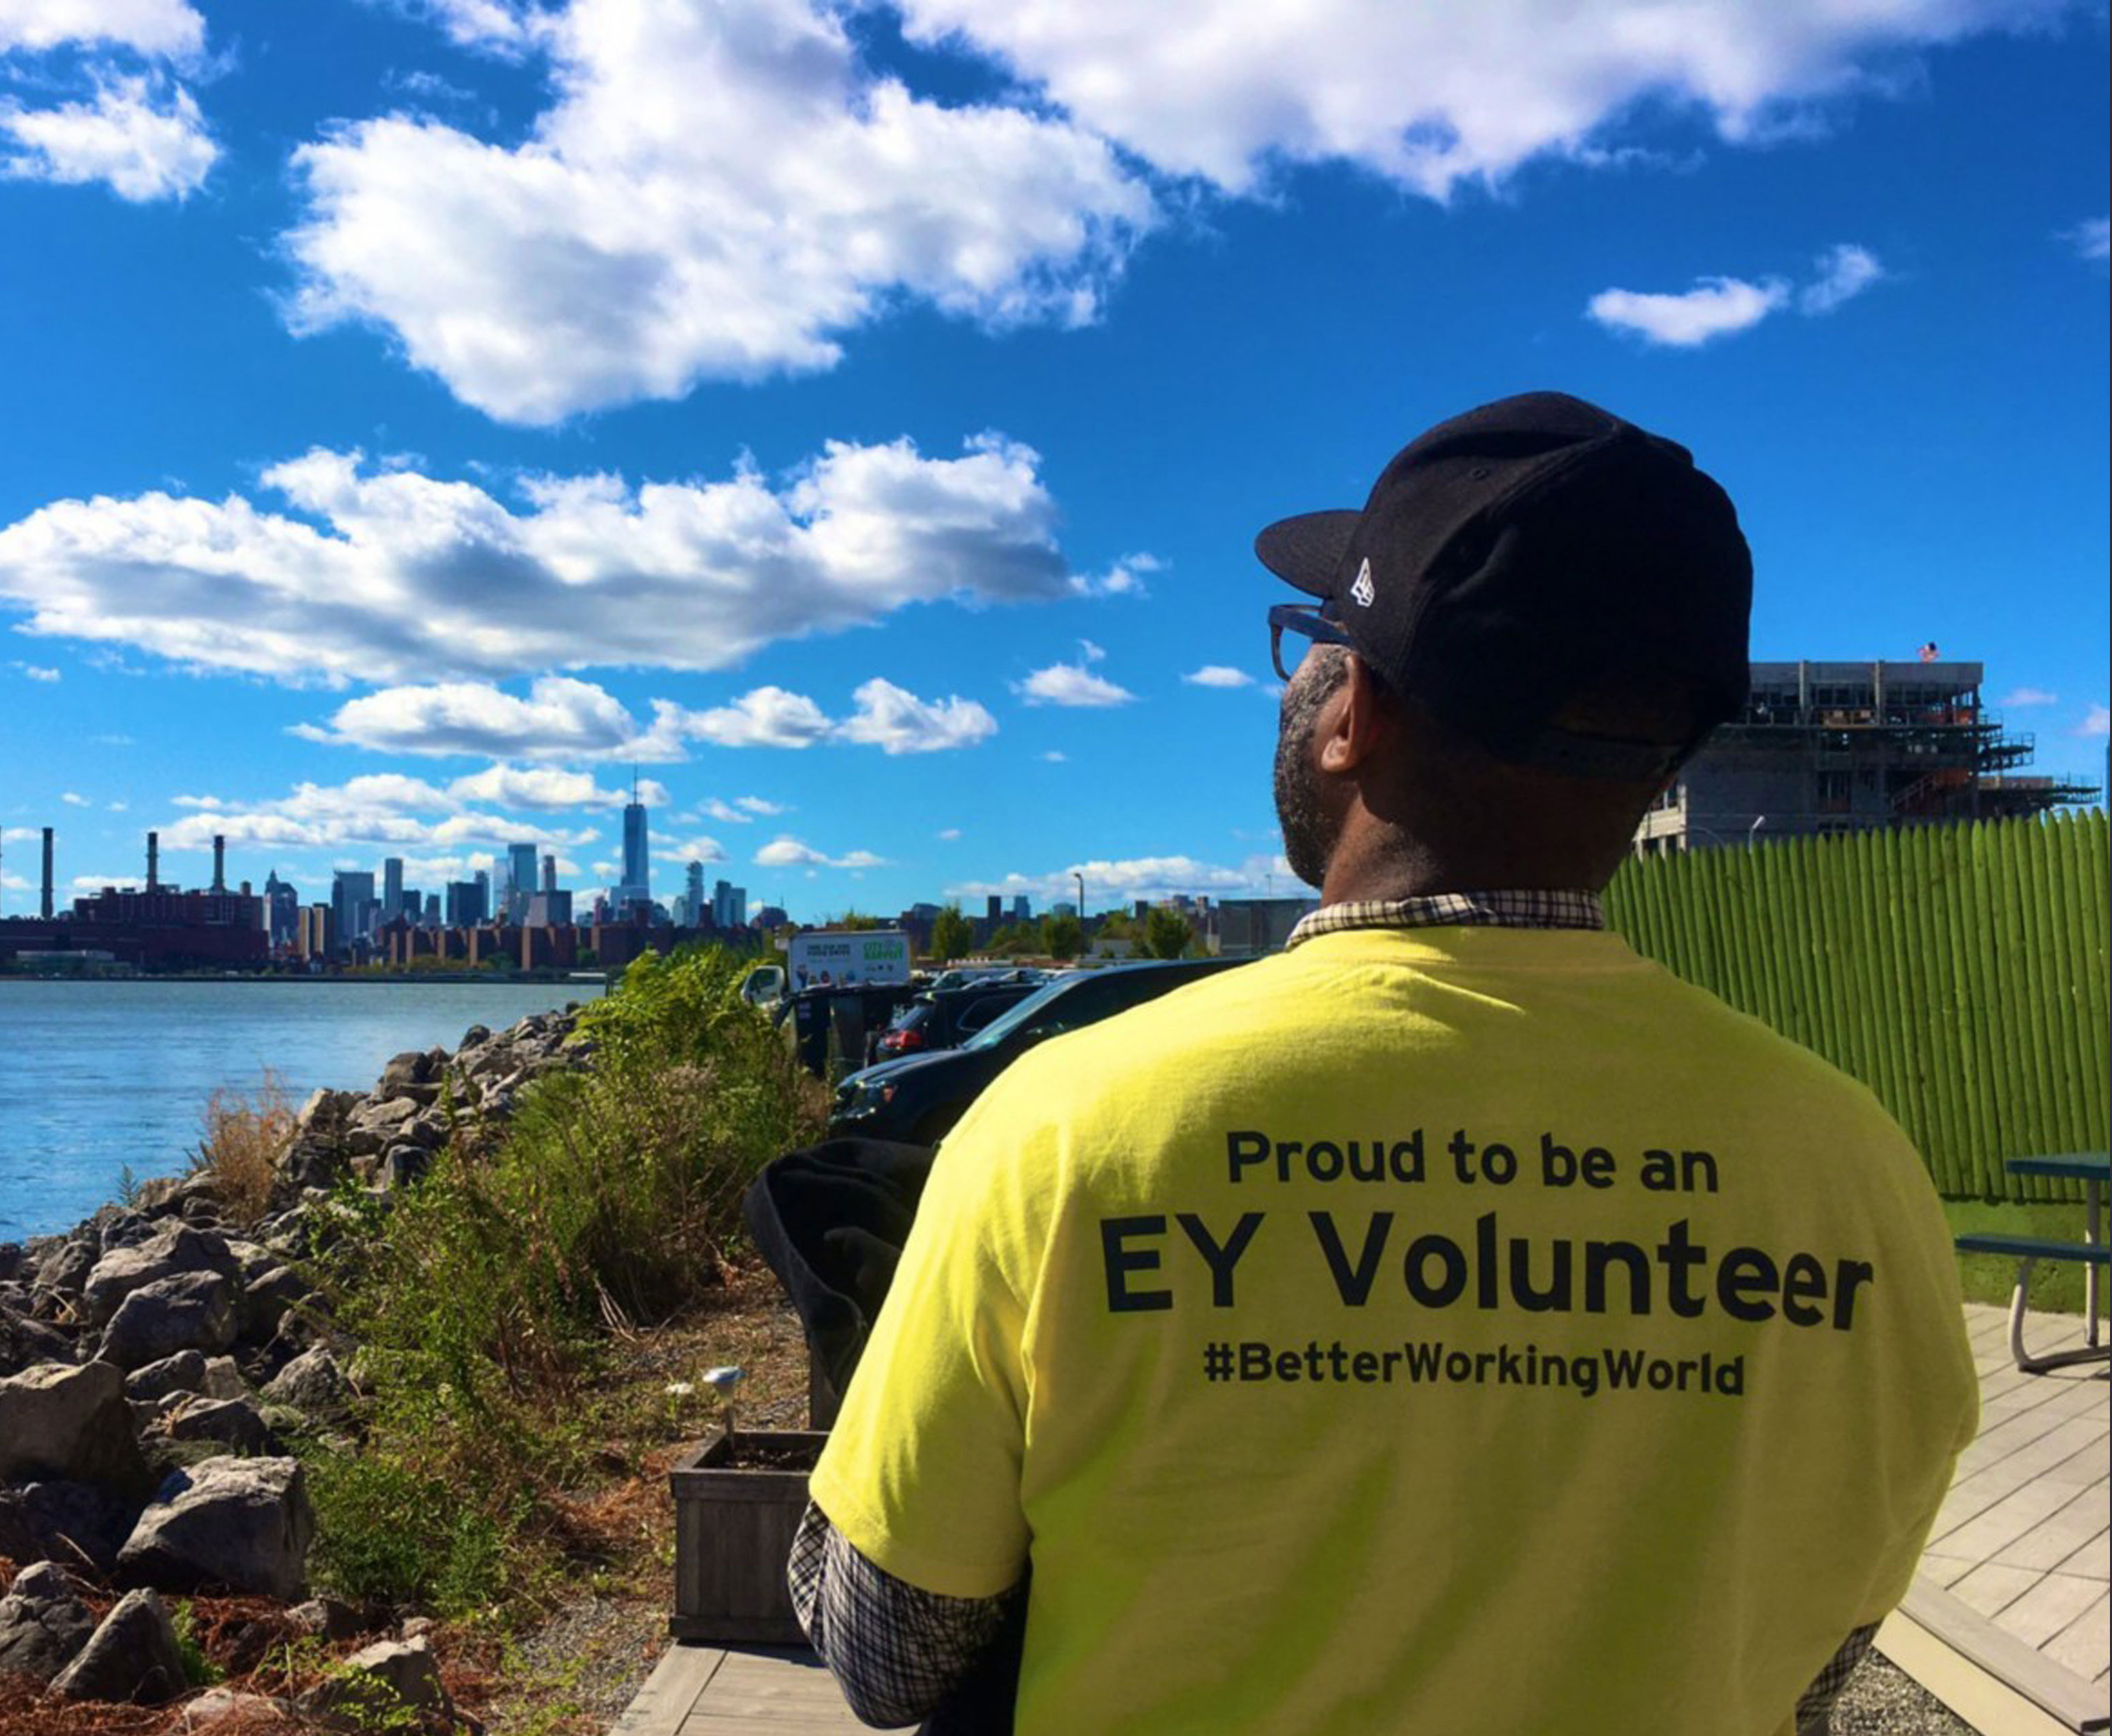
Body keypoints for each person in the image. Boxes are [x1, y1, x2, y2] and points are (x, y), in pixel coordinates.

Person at [789, 391, 1980, 1735]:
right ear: (1659, 760)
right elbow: (1817, 1657)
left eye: (1320, 643)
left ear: (1354, 711)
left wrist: (858, 1391)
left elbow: (886, 1659)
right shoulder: (1859, 1180)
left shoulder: (1067, 1128)